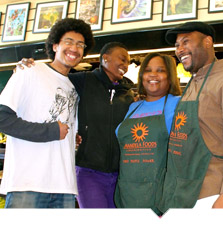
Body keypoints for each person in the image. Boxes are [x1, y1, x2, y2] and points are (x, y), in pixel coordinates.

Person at [14, 42, 135, 208]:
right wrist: (27, 69)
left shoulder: (128, 94)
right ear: (105, 58)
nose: (125, 65)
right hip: (89, 172)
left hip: (119, 175)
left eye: (128, 62)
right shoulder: (84, 80)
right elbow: (51, 80)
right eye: (122, 59)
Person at [157, 21, 223, 212]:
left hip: (216, 196)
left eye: (186, 42)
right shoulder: (193, 84)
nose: (180, 49)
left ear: (208, 42)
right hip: (186, 194)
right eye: (177, 45)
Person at [0, 18, 94, 208]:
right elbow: (2, 119)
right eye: (68, 42)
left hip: (64, 188)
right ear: (55, 45)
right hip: (27, 185)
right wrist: (50, 131)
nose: (74, 48)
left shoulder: (73, 89)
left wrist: (73, 139)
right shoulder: (30, 71)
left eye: (80, 45)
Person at [114, 53, 181, 215]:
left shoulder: (178, 103)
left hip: (160, 197)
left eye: (160, 70)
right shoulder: (133, 107)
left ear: (170, 76)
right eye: (148, 70)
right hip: (128, 192)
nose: (153, 74)